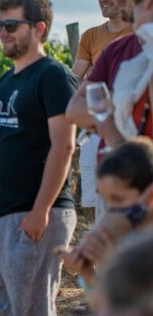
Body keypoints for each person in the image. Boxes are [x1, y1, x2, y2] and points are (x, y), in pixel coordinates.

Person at [0, 0, 78, 315]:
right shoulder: (5, 81)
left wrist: (40, 212)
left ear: (39, 28)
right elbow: (12, 137)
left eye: (10, 26)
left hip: (36, 213)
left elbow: (64, 146)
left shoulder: (53, 75)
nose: (2, 32)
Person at [66, 0, 143, 222]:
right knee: (97, 190)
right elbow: (76, 80)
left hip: (135, 125)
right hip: (100, 124)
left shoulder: (142, 35)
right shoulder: (91, 37)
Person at [60, 138, 153, 311]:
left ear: (149, 195)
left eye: (118, 199)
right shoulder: (126, 239)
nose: (111, 209)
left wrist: (114, 263)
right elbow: (107, 305)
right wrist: (88, 273)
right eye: (106, 200)